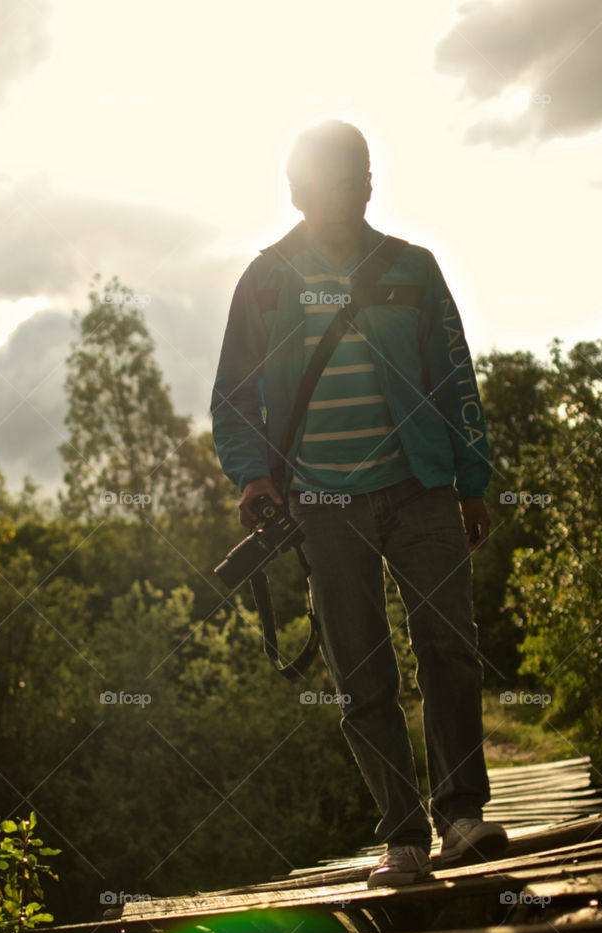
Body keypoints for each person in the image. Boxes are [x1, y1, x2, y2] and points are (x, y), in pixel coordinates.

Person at [210, 120, 508, 888]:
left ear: (370, 184)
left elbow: (454, 379)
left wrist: (470, 478)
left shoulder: (412, 269)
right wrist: (251, 476)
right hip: (321, 500)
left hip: (420, 487)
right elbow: (234, 396)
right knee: (360, 671)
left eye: (357, 176)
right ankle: (403, 838)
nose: (349, 190)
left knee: (447, 647)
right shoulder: (266, 279)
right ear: (298, 189)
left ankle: (463, 817)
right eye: (331, 178)